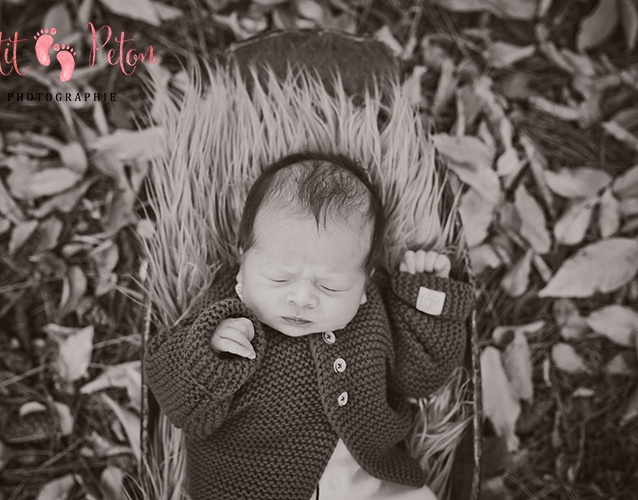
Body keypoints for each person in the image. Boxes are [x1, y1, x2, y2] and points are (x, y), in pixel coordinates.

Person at [145, 152, 475, 500]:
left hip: (374, 485)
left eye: (330, 286)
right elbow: (175, 400)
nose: (302, 298)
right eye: (279, 277)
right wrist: (207, 353)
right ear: (242, 265)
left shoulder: (373, 316)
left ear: (365, 286)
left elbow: (421, 376)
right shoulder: (224, 313)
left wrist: (426, 299)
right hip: (249, 488)